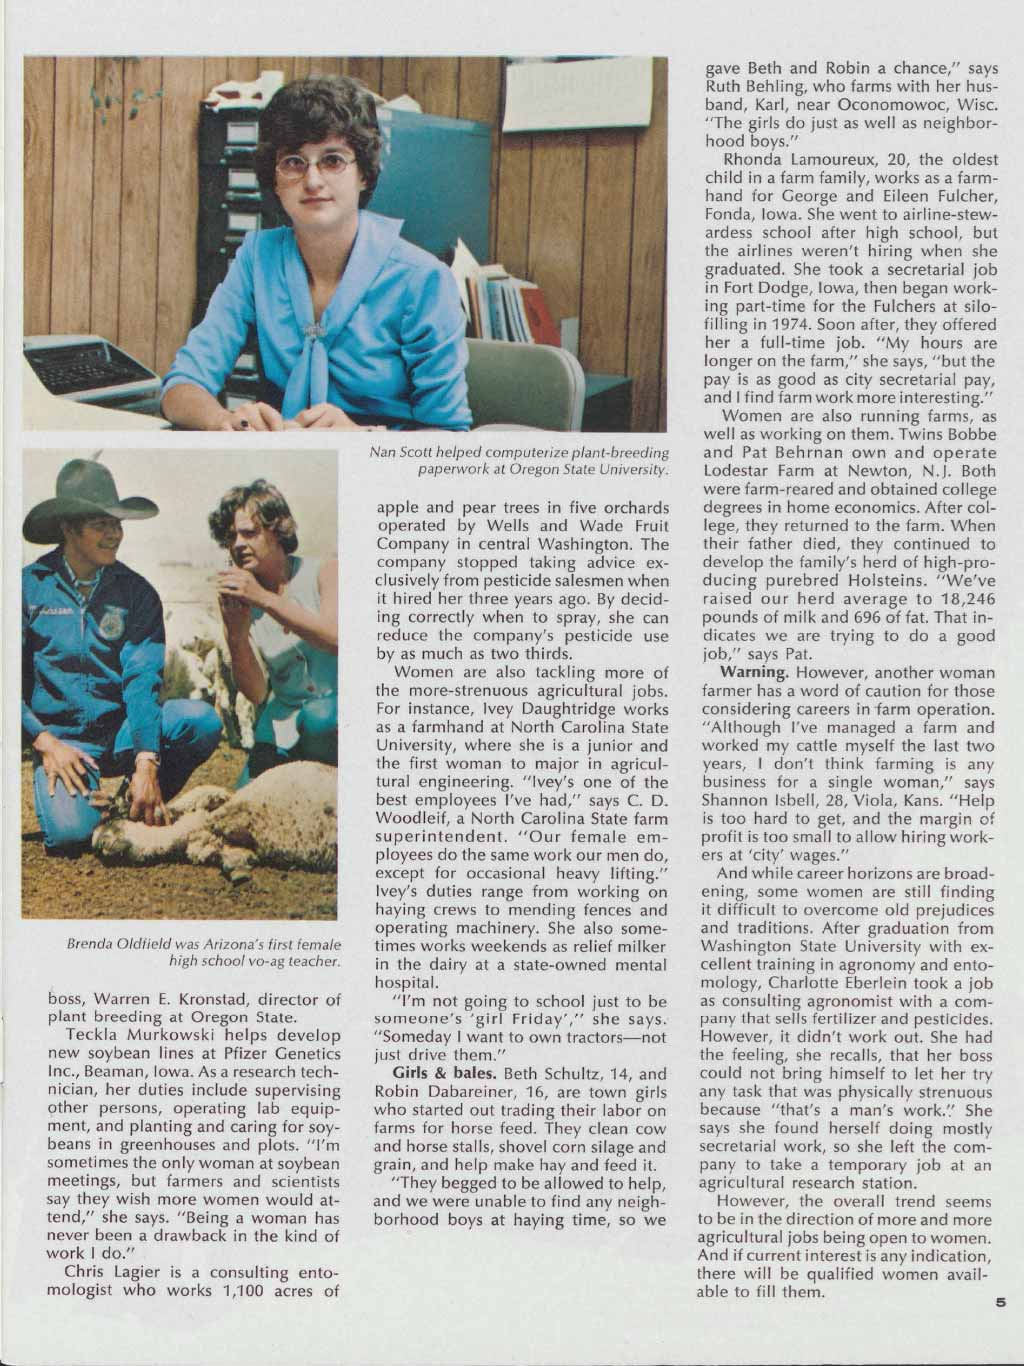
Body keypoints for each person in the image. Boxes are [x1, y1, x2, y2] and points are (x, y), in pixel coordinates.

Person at [163, 75, 472, 433]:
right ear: (275, 180)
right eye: (294, 162)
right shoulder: (256, 258)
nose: (312, 181)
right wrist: (223, 420)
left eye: (333, 160)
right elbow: (182, 385)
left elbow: (450, 435)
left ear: (364, 175)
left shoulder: (422, 279)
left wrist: (360, 439)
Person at [22, 458, 222, 855]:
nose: (115, 534)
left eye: (118, 524)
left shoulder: (136, 593)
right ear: (68, 528)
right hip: (64, 743)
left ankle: (136, 798)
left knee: (198, 721)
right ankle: (87, 805)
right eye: (102, 525)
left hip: (123, 734)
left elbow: (141, 678)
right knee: (71, 838)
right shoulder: (27, 589)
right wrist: (43, 741)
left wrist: (147, 761)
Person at [209, 480, 338, 784]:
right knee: (244, 805)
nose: (238, 544)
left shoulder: (325, 572)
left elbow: (336, 638)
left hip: (335, 715)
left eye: (249, 533)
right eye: (230, 537)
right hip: (281, 726)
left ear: (278, 531)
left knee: (319, 717)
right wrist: (236, 635)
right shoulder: (239, 597)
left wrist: (265, 599)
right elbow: (255, 693)